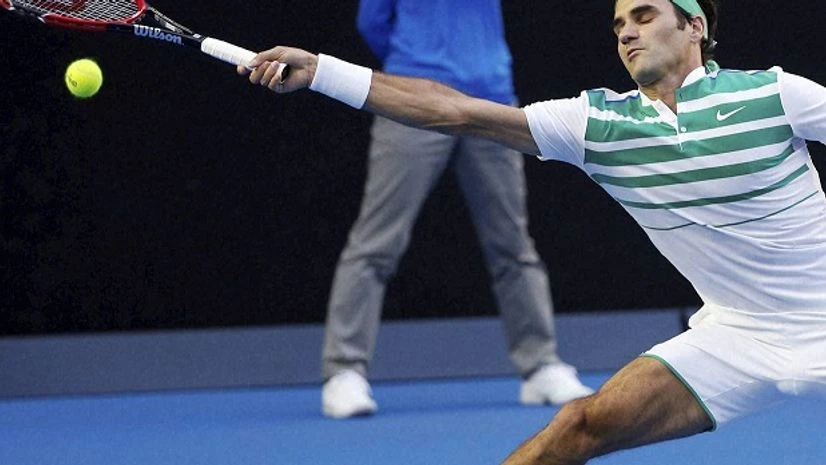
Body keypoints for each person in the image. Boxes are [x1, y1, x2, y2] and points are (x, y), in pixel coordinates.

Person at [240, 0, 826, 462]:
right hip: (737, 337)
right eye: (619, 25)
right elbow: (454, 110)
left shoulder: (773, 93)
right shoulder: (597, 124)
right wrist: (323, 72)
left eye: (645, 16)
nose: (627, 32)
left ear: (695, 27)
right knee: (578, 425)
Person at [317, 0, 593, 419]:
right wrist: (418, 66)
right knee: (376, 243)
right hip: (411, 100)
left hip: (491, 99)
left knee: (513, 245)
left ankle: (540, 367)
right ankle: (343, 372)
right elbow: (371, 22)